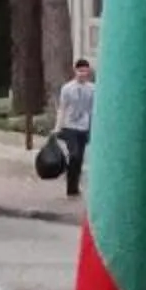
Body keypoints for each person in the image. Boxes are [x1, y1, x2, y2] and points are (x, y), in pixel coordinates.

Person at [54, 57, 95, 197]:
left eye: (85, 71)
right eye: (80, 71)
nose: (82, 74)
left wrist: (92, 126)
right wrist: (58, 126)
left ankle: (74, 186)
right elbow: (62, 108)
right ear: (75, 71)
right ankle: (70, 184)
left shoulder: (92, 89)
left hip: (83, 126)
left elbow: (92, 109)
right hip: (69, 125)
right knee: (74, 154)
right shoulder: (67, 88)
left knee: (79, 158)